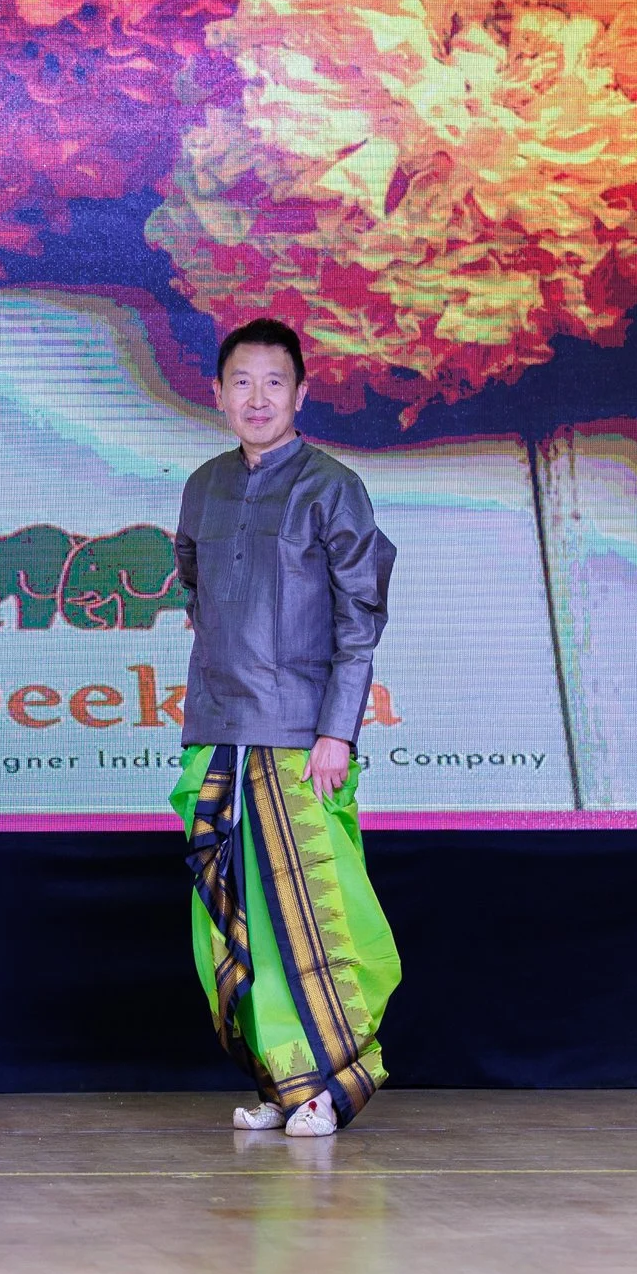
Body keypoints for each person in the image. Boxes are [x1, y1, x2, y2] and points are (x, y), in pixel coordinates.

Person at [171, 317, 402, 1138]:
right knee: (236, 913)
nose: (257, 397)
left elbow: (359, 621)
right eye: (242, 381)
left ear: (302, 393)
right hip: (219, 729)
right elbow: (196, 591)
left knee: (313, 909)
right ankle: (285, 1079)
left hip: (302, 735)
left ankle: (339, 1081)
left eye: (275, 382)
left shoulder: (333, 486)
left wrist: (337, 730)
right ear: (218, 393)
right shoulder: (203, 485)